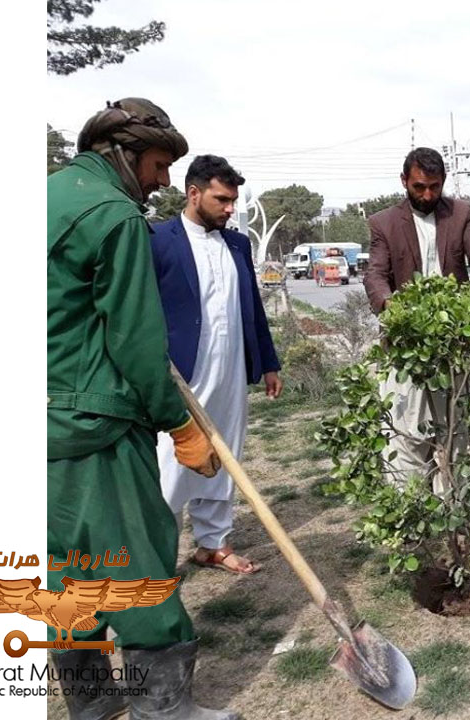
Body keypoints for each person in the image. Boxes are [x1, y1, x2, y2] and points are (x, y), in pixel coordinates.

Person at [47, 98, 236, 719]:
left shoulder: (47, 198)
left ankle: (94, 703)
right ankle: (165, 709)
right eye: (157, 165)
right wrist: (179, 423)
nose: (162, 180)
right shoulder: (114, 215)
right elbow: (133, 338)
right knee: (136, 559)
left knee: (68, 568)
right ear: (122, 154)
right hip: (94, 424)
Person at [150, 154, 282, 576]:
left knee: (226, 457)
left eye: (233, 201)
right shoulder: (157, 239)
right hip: (181, 373)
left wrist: (269, 363)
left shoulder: (237, 244)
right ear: (193, 193)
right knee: (171, 463)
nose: (230, 209)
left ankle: (213, 543)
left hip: (231, 370)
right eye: (222, 200)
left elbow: (253, 308)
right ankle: (157, 559)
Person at [362, 147, 470, 489]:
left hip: (454, 344)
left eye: (434, 187)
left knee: (455, 432)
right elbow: (375, 275)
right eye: (419, 187)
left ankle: (451, 508)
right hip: (405, 347)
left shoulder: (461, 213)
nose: (427, 195)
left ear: (443, 181)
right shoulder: (383, 223)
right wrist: (392, 308)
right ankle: (410, 507)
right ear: (404, 181)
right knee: (406, 433)